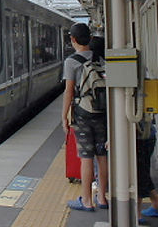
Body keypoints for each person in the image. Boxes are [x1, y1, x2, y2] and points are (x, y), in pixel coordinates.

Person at [62, 23, 109, 211]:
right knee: (102, 156)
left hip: (83, 113)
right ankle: (102, 197)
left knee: (86, 157)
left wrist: (64, 116)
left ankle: (87, 200)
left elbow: (69, 91)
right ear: (89, 38)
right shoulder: (100, 58)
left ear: (73, 39)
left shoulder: (71, 61)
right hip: (102, 112)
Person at [136, 113, 158, 219]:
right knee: (142, 171)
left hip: (140, 137)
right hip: (148, 134)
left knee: (138, 173)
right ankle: (157, 204)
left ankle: (136, 213)